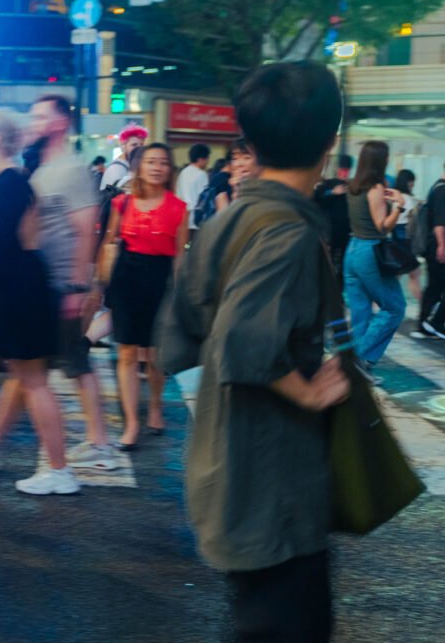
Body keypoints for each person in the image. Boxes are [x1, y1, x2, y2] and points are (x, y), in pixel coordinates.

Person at [161, 60, 352, 643]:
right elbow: (246, 342)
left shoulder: (228, 220)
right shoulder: (288, 232)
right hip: (277, 483)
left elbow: (179, 335)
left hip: (227, 463)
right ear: (328, 140)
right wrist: (309, 390)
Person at [0, 96, 116, 478]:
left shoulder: (69, 169)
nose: (34, 122)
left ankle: (96, 445)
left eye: (42, 116)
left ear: (60, 123)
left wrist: (78, 285)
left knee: (67, 366)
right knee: (27, 373)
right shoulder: (36, 168)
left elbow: (85, 228)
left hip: (56, 286)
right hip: (33, 285)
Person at [104, 143, 188, 451]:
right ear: (140, 167)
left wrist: (180, 297)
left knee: (154, 356)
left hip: (159, 282)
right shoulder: (122, 203)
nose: (157, 167)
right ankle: (132, 422)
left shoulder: (179, 207)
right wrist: (100, 288)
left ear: (170, 170)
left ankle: (154, 404)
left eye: (163, 162)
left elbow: (179, 259)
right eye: (151, 161)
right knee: (127, 353)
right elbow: (110, 244)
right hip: (126, 280)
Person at [344, 140, 407, 383]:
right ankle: (359, 358)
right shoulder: (376, 188)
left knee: (360, 311)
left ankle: (358, 370)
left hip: (353, 249)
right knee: (394, 307)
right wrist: (398, 207)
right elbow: (383, 227)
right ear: (380, 161)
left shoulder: (353, 186)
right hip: (370, 251)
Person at [315, 154, 354, 284]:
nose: (344, 173)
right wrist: (332, 193)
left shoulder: (350, 185)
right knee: (329, 259)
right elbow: (318, 201)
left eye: (346, 169)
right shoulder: (325, 184)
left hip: (345, 228)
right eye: (343, 169)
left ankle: (339, 288)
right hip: (330, 228)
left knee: (343, 260)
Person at [416, 164, 445, 339]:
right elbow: (439, 223)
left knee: (434, 286)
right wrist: (442, 245)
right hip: (438, 245)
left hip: (431, 246)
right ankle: (435, 322)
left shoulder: (435, 187)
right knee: (435, 286)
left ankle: (425, 323)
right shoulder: (443, 191)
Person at [392, 169, 422, 304]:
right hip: (405, 239)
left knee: (397, 276)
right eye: (412, 183)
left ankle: (379, 305)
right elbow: (413, 219)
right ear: (408, 182)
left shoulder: (395, 196)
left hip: (395, 238)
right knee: (415, 274)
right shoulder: (408, 199)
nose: (413, 185)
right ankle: (425, 306)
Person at [100, 123, 148, 190]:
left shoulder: (131, 165)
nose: (139, 148)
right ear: (124, 146)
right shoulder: (116, 169)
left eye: (141, 144)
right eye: (134, 145)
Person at [176, 143, 211, 235]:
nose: (208, 162)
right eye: (207, 158)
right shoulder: (202, 174)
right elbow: (205, 198)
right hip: (197, 219)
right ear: (200, 159)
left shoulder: (183, 172)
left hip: (182, 217)